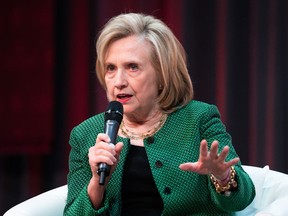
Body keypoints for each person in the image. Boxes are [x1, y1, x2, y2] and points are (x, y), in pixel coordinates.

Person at [64, 13, 255, 215]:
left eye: (132, 67)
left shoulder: (199, 119)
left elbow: (240, 200)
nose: (118, 81)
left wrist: (223, 176)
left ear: (162, 73)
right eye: (111, 68)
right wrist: (97, 183)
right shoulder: (85, 135)